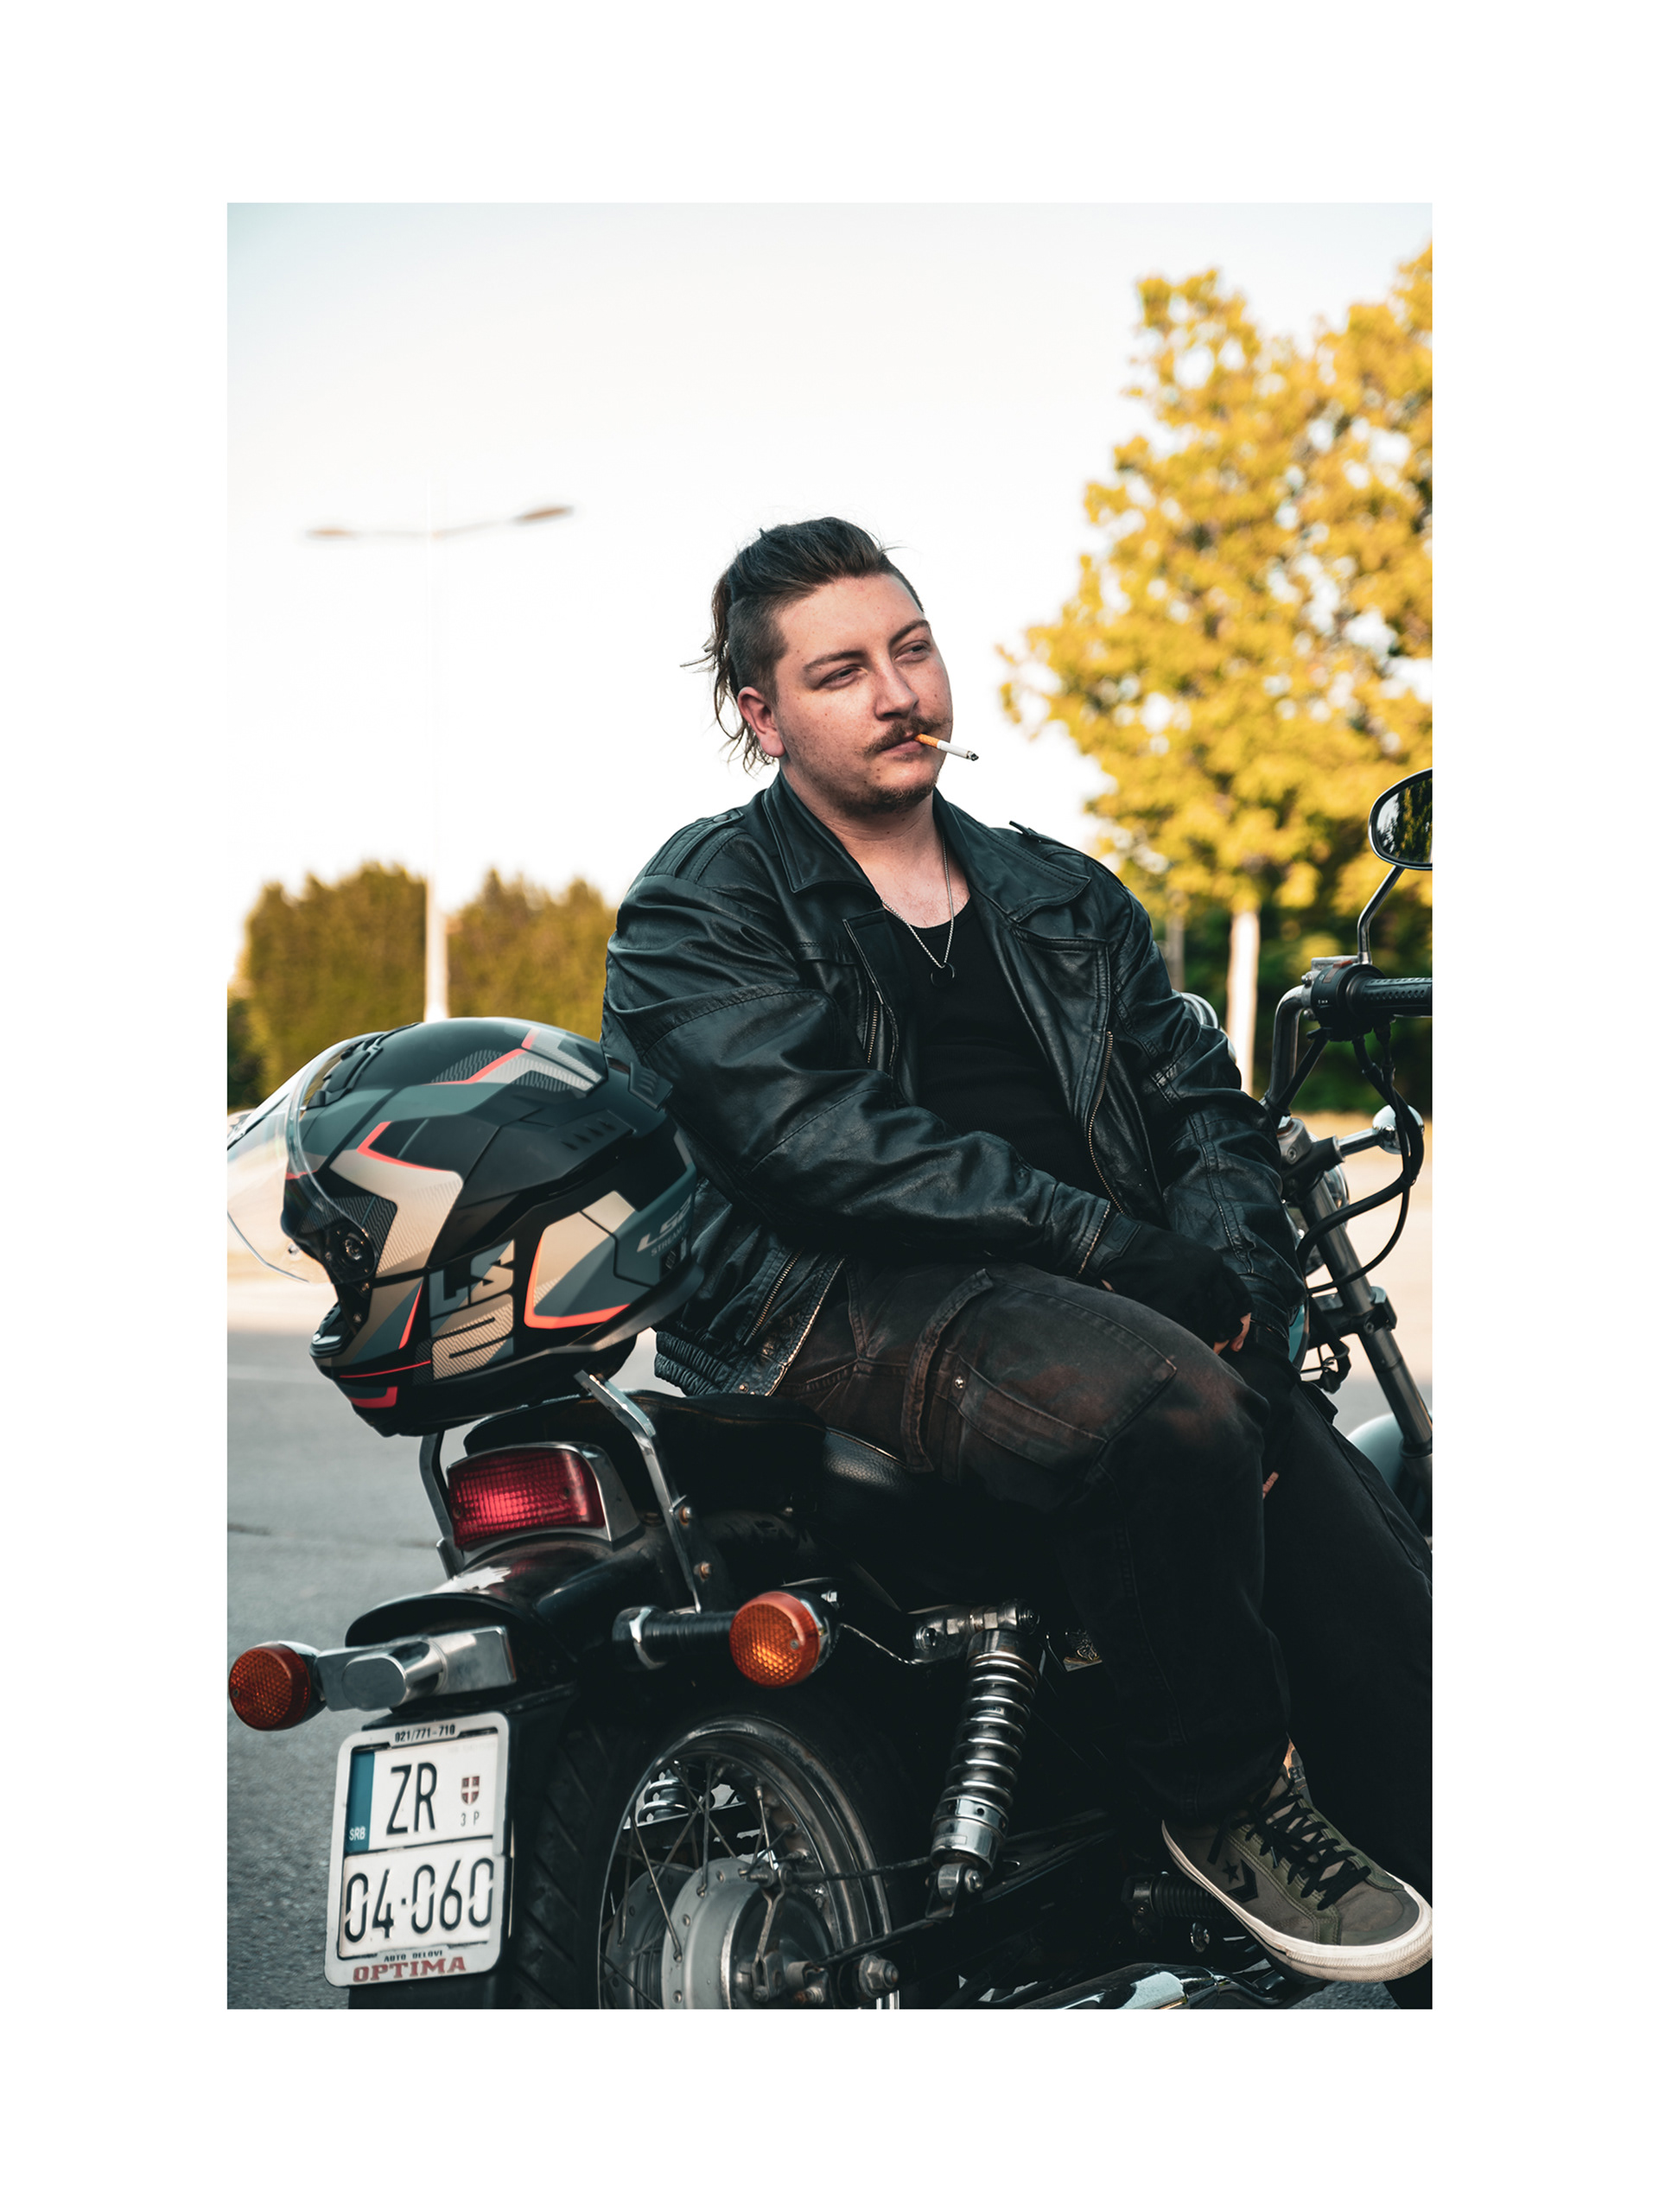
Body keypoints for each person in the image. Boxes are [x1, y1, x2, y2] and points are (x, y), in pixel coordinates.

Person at [601, 517, 1432, 1999]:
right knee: (1167, 1407)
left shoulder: (1066, 898)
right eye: (841, 672)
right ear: (762, 715)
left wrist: (1238, 1293)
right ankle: (1224, 1802)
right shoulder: (700, 903)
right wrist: (1114, 1250)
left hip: (1102, 1314)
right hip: (832, 1311)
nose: (897, 692)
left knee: (1383, 1618)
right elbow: (815, 1142)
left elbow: (1202, 1112)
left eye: (912, 649)